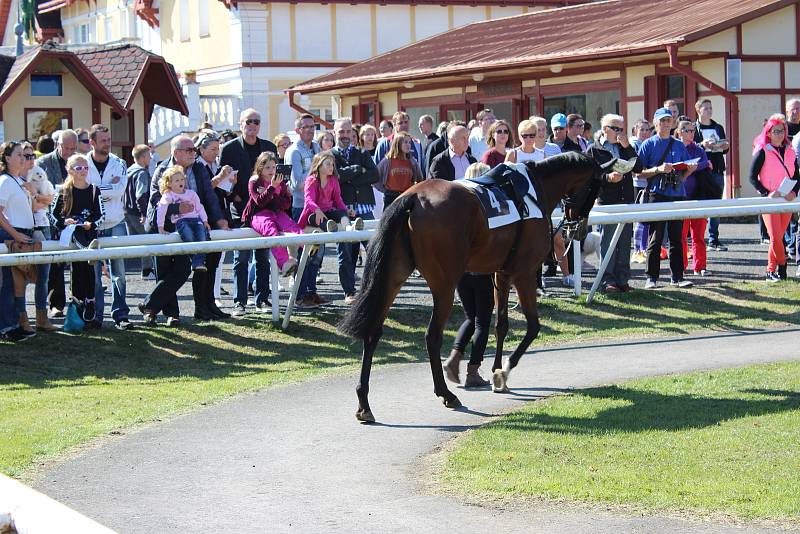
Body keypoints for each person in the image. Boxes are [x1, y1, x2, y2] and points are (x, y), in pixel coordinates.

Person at [142, 135, 227, 325]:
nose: (193, 153)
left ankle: (150, 306)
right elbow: (155, 201)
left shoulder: (198, 168)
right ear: (176, 153)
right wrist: (177, 209)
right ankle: (169, 314)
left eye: (194, 150)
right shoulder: (162, 169)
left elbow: (208, 196)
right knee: (164, 271)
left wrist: (219, 219)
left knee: (181, 270)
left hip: (189, 226)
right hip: (164, 228)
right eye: (189, 150)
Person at [220, 108, 277, 317]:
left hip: (264, 210)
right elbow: (223, 180)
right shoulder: (229, 149)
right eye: (248, 121)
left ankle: (262, 299)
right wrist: (233, 195)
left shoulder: (269, 147)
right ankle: (239, 302)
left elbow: (276, 177)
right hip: (240, 210)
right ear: (240, 124)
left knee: (263, 257)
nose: (252, 125)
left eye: (256, 121)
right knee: (241, 258)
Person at [442, 161, 493, 388]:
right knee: (482, 321)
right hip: (482, 267)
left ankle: (454, 356)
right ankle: (473, 371)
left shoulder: (456, 207)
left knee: (470, 317)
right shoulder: (486, 205)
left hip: (461, 269)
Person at [637, 107, 698, 290]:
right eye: (662, 120)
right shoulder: (648, 144)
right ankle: (651, 278)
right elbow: (639, 173)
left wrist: (689, 171)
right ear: (655, 123)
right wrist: (658, 169)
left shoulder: (679, 145)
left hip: (677, 194)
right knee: (655, 238)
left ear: (673, 123)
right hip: (656, 194)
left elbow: (682, 174)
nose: (665, 123)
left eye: (668, 120)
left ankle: (677, 277)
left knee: (676, 238)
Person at [586, 114, 641, 293]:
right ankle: (607, 280)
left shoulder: (625, 147)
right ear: (605, 129)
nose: (619, 133)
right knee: (608, 242)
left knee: (625, 242)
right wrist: (607, 178)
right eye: (616, 128)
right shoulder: (593, 149)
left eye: (621, 129)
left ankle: (623, 279)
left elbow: (639, 167)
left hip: (626, 200)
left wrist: (627, 147)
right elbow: (589, 178)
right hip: (607, 201)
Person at [85, 124, 132, 330]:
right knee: (94, 276)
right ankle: (97, 316)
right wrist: (105, 188)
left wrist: (94, 189)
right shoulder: (82, 163)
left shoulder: (119, 162)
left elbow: (119, 189)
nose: (108, 143)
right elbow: (84, 191)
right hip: (92, 226)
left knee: (119, 273)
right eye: (103, 140)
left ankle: (121, 314)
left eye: (109, 139)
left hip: (116, 222)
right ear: (92, 142)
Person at [51, 153, 105, 331]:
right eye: (78, 168)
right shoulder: (63, 191)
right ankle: (77, 311)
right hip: (71, 238)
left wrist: (92, 224)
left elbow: (100, 214)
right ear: (69, 170)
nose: (83, 171)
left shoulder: (95, 189)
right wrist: (64, 222)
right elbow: (53, 215)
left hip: (89, 237)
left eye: (85, 167)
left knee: (91, 275)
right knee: (77, 275)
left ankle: (90, 310)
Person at [331, 117, 378, 303]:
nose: (344, 135)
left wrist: (349, 176)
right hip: (343, 210)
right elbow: (336, 177)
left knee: (375, 250)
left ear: (353, 132)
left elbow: (375, 174)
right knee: (346, 254)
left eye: (347, 131)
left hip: (365, 208)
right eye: (340, 131)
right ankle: (349, 291)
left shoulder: (362, 152)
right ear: (334, 133)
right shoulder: (330, 155)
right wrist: (358, 170)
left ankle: (373, 290)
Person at [750, 117, 800, 281]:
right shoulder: (763, 151)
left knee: (777, 238)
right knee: (776, 237)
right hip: (770, 200)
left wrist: (794, 191)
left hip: (787, 199)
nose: (780, 134)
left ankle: (773, 271)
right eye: (776, 131)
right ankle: (781, 267)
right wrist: (766, 193)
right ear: (769, 134)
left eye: (782, 130)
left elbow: (797, 176)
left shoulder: (790, 150)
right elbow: (752, 177)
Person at [36, 130, 77, 318]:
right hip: (51, 220)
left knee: (79, 264)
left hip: (75, 219)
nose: (69, 152)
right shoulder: (42, 164)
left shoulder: (80, 162)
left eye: (73, 148)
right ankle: (56, 304)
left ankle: (79, 303)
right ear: (57, 145)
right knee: (55, 265)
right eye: (66, 147)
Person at [285, 113, 325, 310]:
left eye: (312, 126)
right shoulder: (294, 152)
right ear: (297, 130)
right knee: (304, 253)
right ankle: (300, 295)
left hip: (318, 207)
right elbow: (296, 183)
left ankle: (311, 291)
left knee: (317, 253)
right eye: (305, 126)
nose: (310, 129)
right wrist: (317, 178)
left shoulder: (317, 148)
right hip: (301, 207)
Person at [241, 151, 301, 277]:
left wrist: (274, 192)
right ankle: (284, 263)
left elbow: (285, 205)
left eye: (274, 167)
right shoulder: (255, 181)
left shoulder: (281, 182)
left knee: (290, 225)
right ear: (260, 168)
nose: (271, 170)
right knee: (271, 230)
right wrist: (272, 188)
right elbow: (260, 201)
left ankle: (308, 244)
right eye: (267, 167)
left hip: (276, 212)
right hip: (258, 214)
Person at [0, 142, 37, 341]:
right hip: (12, 235)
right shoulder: (5, 181)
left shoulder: (17, 180)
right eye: (19, 155)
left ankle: (14, 323)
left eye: (24, 155)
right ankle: (7, 327)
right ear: (7, 158)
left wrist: (32, 192)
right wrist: (14, 234)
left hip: (22, 233)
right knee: (8, 284)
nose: (23, 158)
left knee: (18, 284)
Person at [22, 143, 57, 332]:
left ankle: (42, 319)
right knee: (21, 277)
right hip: (23, 229)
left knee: (44, 276)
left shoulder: (39, 173)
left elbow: (50, 199)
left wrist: (36, 196)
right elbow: (34, 205)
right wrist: (39, 199)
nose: (30, 159)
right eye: (25, 156)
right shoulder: (13, 179)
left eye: (31, 155)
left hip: (43, 225)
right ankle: (22, 320)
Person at [157, 166, 211, 272]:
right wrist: (160, 226)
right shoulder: (168, 195)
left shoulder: (191, 193)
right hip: (181, 221)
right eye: (176, 180)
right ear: (169, 183)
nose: (180, 182)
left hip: (196, 220)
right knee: (189, 236)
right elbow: (161, 210)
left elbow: (200, 207)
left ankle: (198, 262)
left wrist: (205, 220)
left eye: (182, 179)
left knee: (202, 237)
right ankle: (196, 260)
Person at [694, 98, 730, 252]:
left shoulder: (718, 127)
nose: (709, 110)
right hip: (700, 171)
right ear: (698, 110)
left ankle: (713, 239)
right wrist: (702, 145)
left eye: (710, 107)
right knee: (701, 205)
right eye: (706, 108)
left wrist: (725, 145)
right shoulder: (694, 128)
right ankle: (698, 239)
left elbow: (725, 147)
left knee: (716, 205)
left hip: (716, 169)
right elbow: (690, 146)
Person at [677, 120, 712, 276]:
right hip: (679, 198)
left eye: (693, 131)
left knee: (698, 236)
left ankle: (700, 267)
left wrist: (693, 166)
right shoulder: (674, 148)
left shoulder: (698, 149)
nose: (691, 133)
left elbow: (706, 163)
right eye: (687, 130)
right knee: (681, 236)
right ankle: (682, 266)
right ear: (679, 132)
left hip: (699, 197)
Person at [297, 151, 362, 233]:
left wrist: (346, 210)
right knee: (318, 218)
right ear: (319, 165)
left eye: (332, 164)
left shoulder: (333, 180)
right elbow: (308, 200)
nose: (331, 167)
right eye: (328, 164)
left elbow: (338, 200)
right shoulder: (311, 180)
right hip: (313, 214)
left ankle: (349, 228)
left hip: (329, 212)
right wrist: (317, 210)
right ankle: (330, 228)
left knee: (342, 213)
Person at [125, 144, 155, 280]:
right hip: (138, 213)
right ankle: (147, 270)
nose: (151, 158)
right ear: (143, 157)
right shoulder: (142, 173)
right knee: (147, 241)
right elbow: (141, 194)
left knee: (136, 241)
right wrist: (144, 213)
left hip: (127, 211)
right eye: (149, 155)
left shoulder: (129, 170)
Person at [375, 131, 424, 206]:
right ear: (397, 144)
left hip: (407, 197)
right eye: (405, 142)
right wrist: (385, 191)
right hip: (391, 198)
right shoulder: (387, 160)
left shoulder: (412, 161)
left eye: (409, 142)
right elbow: (375, 179)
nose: (408, 145)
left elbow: (420, 180)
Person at [630, 119, 653, 263]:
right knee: (641, 218)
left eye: (647, 130)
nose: (645, 133)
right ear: (635, 131)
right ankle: (638, 250)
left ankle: (643, 248)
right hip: (638, 184)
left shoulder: (650, 143)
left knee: (647, 219)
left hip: (649, 183)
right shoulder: (634, 144)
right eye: (642, 130)